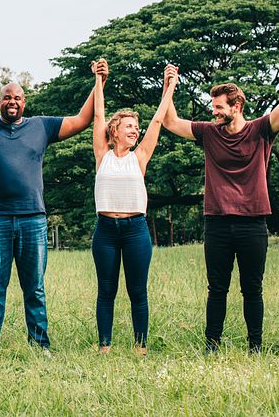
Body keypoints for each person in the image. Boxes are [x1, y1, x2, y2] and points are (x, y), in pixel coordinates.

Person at [162, 38, 279, 354]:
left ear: (236, 106)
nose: (214, 111)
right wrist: (169, 86)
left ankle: (255, 347)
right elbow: (170, 121)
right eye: (213, 107)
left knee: (252, 289)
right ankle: (212, 347)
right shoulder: (209, 132)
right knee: (216, 290)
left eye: (219, 107)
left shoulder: (262, 129)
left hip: (252, 224)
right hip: (218, 224)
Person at [0, 63, 99, 352]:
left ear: (25, 102)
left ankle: (39, 345)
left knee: (34, 287)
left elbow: (83, 119)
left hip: (32, 220)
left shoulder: (41, 126)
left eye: (18, 98)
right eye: (7, 97)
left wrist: (99, 80)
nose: (12, 102)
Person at [89, 59, 176, 355]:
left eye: (136, 127)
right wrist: (100, 80)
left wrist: (169, 87)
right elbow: (98, 114)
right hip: (106, 231)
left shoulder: (139, 158)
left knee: (137, 291)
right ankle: (105, 346)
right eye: (129, 126)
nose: (135, 130)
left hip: (135, 230)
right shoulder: (103, 155)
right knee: (107, 290)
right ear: (115, 131)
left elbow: (156, 121)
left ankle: (140, 348)